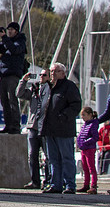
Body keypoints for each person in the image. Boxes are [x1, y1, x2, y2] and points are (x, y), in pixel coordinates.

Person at [41, 61, 80, 194]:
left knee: (67, 158)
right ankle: (56, 184)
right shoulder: (49, 87)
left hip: (64, 130)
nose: (52, 74)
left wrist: (63, 116)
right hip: (50, 130)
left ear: (62, 73)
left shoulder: (69, 87)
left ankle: (70, 184)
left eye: (55, 71)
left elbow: (76, 105)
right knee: (53, 159)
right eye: (51, 71)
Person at [0, 21, 28, 132]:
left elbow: (14, 49)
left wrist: (5, 38)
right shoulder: (8, 42)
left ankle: (16, 125)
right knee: (4, 101)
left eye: (11, 30)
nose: (9, 32)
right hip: (4, 74)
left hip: (13, 74)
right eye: (8, 30)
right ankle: (8, 125)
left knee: (13, 99)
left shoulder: (20, 41)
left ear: (16, 31)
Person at [20, 69, 47, 189]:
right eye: (40, 75)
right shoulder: (34, 89)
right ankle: (35, 181)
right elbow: (19, 94)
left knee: (47, 156)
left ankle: (48, 180)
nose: (41, 77)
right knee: (32, 155)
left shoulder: (50, 89)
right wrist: (23, 81)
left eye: (44, 75)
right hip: (33, 126)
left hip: (45, 127)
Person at [76, 106, 100, 193]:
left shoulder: (93, 124)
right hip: (83, 149)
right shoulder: (85, 125)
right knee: (85, 168)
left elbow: (95, 137)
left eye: (84, 115)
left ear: (90, 115)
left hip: (89, 149)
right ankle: (86, 185)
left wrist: (85, 142)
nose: (82, 117)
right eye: (82, 115)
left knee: (91, 168)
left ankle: (93, 185)